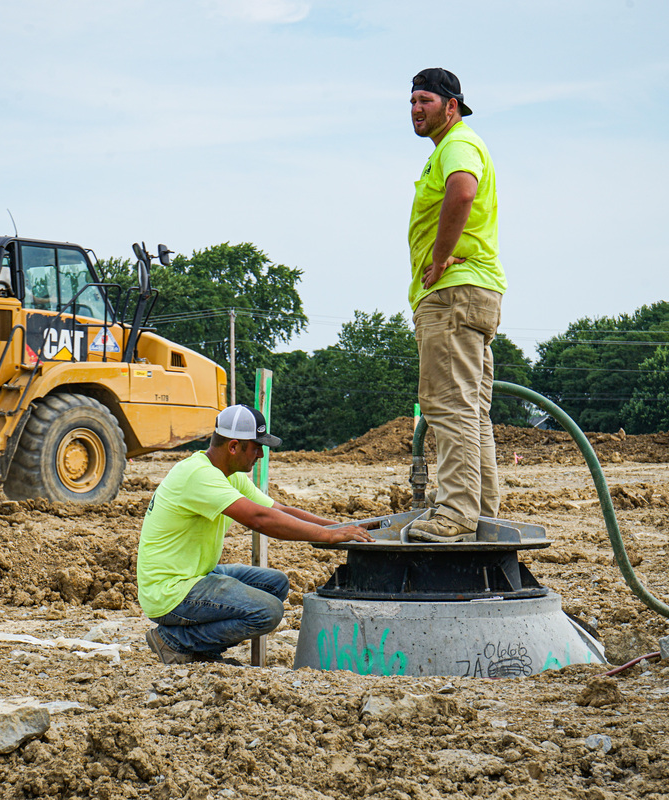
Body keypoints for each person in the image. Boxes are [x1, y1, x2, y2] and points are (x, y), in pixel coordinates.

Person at [137, 404, 373, 665]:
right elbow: (259, 519)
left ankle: (197, 647)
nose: (260, 454)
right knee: (267, 612)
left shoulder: (226, 474)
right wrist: (328, 537)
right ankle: (174, 642)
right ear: (234, 446)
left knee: (275, 584)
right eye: (256, 446)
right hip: (170, 591)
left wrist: (338, 528)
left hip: (196, 575)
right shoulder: (199, 476)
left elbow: (279, 509)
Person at [407, 67, 506, 542]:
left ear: (452, 106)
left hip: (453, 295)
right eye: (412, 101)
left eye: (425, 100)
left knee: (447, 406)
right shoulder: (454, 147)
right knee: (470, 410)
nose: (416, 109)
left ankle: (457, 513)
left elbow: (462, 190)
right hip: (476, 292)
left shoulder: (457, 146)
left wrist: (441, 255)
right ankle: (481, 510)